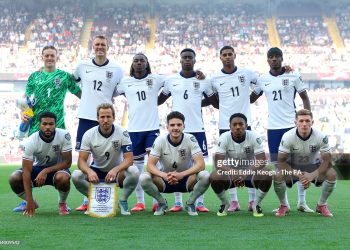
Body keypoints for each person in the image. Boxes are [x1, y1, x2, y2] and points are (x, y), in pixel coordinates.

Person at [13, 45, 81, 212]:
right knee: (31, 164)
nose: (49, 58)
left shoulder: (64, 76)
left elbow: (81, 94)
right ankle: (28, 200)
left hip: (58, 126)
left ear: (56, 57)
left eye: (52, 55)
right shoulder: (34, 77)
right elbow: (27, 101)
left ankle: (62, 202)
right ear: (42, 57)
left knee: (61, 167)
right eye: (47, 55)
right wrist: (24, 114)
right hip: (37, 125)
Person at [250, 47, 313, 212]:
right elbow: (251, 98)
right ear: (267, 60)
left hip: (292, 126)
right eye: (271, 57)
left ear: (282, 59)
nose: (274, 59)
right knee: (278, 167)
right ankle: (284, 204)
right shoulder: (262, 79)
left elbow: (304, 97)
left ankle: (302, 202)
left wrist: (307, 119)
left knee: (299, 163)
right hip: (273, 128)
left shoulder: (293, 75)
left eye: (277, 57)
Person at [158, 48, 217, 212]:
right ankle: (177, 203)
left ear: (194, 60)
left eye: (190, 57)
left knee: (201, 165)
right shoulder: (171, 81)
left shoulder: (203, 81)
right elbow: (159, 100)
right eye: (184, 57)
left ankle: (199, 202)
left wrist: (198, 102)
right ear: (180, 60)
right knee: (176, 163)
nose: (187, 60)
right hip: (177, 129)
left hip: (197, 129)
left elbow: (214, 101)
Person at [74, 35, 124, 211]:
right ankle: (88, 198)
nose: (100, 47)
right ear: (92, 46)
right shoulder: (81, 66)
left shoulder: (117, 69)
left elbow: (120, 90)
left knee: (108, 154)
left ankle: (113, 195)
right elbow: (72, 83)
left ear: (108, 47)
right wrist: (84, 98)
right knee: (84, 161)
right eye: (97, 44)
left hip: (106, 118)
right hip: (86, 117)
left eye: (103, 44)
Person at [208, 45, 258, 212]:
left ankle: (252, 200)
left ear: (235, 55)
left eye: (230, 54)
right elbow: (213, 100)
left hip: (246, 124)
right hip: (224, 125)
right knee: (228, 163)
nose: (227, 57)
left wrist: (250, 99)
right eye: (224, 55)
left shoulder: (247, 73)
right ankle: (234, 201)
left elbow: (263, 84)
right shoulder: (214, 78)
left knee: (250, 161)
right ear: (220, 57)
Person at [116, 53, 165, 212]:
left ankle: (157, 200)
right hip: (134, 130)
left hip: (152, 129)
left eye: (142, 60)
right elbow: (115, 91)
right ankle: (140, 202)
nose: (138, 63)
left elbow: (172, 86)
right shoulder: (125, 82)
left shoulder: (156, 79)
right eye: (136, 60)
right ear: (132, 64)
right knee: (136, 169)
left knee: (154, 166)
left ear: (147, 63)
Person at [71, 103, 139, 215]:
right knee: (76, 175)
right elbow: (81, 161)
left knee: (134, 171)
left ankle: (123, 200)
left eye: (108, 117)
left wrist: (115, 170)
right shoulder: (89, 134)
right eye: (102, 117)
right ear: (97, 118)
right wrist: (89, 171)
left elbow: (129, 159)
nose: (105, 120)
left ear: (113, 118)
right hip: (96, 172)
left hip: (117, 173)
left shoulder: (122, 132)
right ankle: (93, 199)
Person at [139, 111, 210, 216]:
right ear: (167, 127)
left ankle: (190, 203)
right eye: (172, 125)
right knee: (143, 178)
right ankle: (162, 203)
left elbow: (201, 164)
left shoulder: (191, 139)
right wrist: (164, 175)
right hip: (165, 180)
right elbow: (150, 165)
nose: (175, 128)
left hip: (187, 180)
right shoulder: (159, 140)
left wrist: (181, 174)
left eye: (179, 125)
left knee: (206, 175)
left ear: (184, 126)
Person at [274, 109, 336, 217]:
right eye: (301, 121)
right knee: (277, 174)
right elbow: (281, 161)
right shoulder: (287, 136)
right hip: (293, 166)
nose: (304, 124)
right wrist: (299, 175)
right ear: (295, 123)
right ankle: (284, 205)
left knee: (332, 174)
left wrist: (312, 175)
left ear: (312, 122)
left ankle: (321, 205)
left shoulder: (321, 136)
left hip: (312, 166)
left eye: (307, 121)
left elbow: (328, 161)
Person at [9, 112, 73, 216]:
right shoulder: (30, 141)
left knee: (63, 178)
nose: (48, 127)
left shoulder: (64, 135)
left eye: (51, 124)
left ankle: (62, 204)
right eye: (44, 124)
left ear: (55, 125)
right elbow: (26, 171)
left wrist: (46, 171)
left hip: (57, 170)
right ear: (39, 125)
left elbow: (67, 162)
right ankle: (32, 203)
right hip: (36, 169)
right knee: (14, 178)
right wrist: (29, 199)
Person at [210, 113, 272, 217]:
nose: (238, 127)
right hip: (231, 174)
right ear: (230, 126)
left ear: (246, 125)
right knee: (214, 176)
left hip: (249, 174)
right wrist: (234, 173)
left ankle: (256, 204)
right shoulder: (224, 137)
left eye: (241, 124)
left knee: (267, 174)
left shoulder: (254, 136)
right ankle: (225, 203)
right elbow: (218, 162)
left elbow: (261, 160)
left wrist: (245, 173)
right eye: (234, 125)